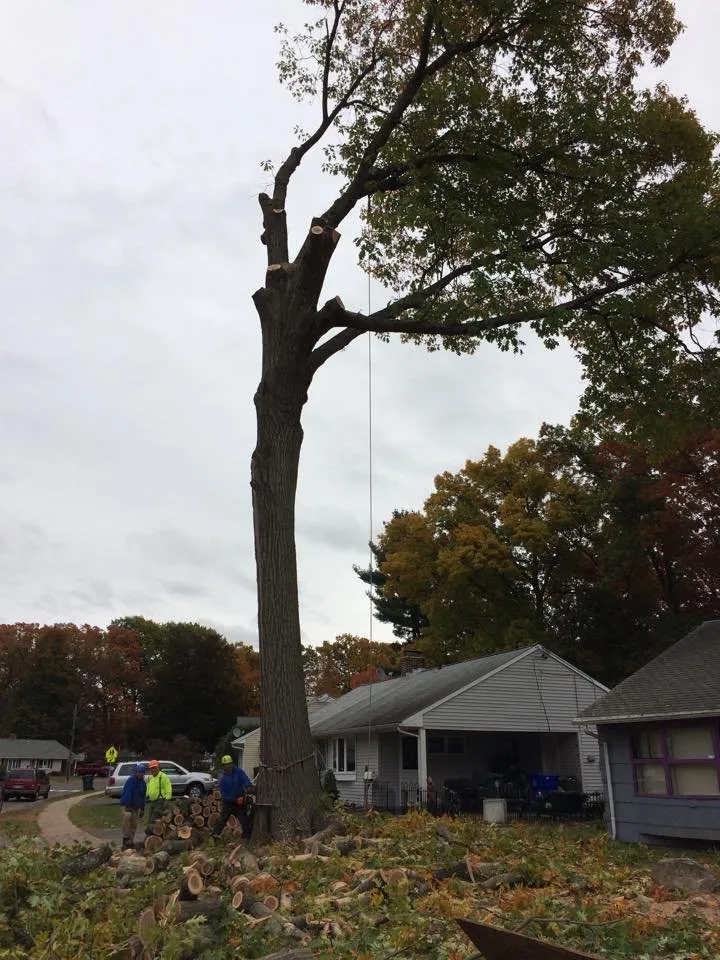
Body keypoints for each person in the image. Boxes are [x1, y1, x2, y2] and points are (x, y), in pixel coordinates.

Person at [212, 755, 252, 839]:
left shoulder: (239, 772)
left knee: (244, 819)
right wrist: (235, 800)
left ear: (232, 763)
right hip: (228, 801)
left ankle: (247, 837)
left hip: (240, 800)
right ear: (223, 766)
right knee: (222, 819)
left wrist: (248, 787)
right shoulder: (222, 777)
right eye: (226, 764)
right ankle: (215, 835)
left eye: (229, 764)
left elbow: (245, 780)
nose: (228, 766)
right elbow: (224, 794)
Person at [120, 762, 147, 850]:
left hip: (136, 807)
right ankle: (125, 841)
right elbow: (128, 793)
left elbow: (143, 797)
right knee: (127, 820)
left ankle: (130, 842)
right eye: (138, 772)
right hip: (127, 805)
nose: (140, 774)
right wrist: (128, 805)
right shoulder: (131, 780)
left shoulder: (143, 783)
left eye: (142, 772)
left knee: (134, 825)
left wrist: (142, 808)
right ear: (136, 772)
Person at [146, 759, 172, 825]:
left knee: (154, 820)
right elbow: (148, 788)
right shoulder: (150, 778)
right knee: (150, 820)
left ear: (158, 767)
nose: (153, 770)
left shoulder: (163, 776)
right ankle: (151, 834)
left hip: (160, 801)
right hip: (152, 802)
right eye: (151, 768)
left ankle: (155, 833)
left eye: (154, 768)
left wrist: (167, 799)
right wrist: (146, 795)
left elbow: (168, 788)